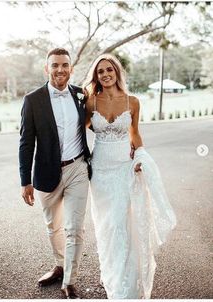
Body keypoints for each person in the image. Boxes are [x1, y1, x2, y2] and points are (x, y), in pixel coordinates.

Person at [83, 53, 176, 299]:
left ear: (117, 72)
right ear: (96, 76)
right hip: (100, 173)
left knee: (123, 224)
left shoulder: (132, 102)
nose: (105, 74)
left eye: (109, 70)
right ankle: (112, 273)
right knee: (108, 227)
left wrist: (140, 158)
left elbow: (135, 135)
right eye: (100, 71)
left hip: (125, 168)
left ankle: (126, 284)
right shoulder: (90, 102)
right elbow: (78, 133)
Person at [19, 47, 91, 299]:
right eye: (55, 65)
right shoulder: (32, 99)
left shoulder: (82, 95)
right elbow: (26, 142)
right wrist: (24, 180)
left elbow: (103, 122)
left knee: (75, 228)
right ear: (46, 68)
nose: (60, 69)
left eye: (64, 65)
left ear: (71, 68)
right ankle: (60, 264)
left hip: (78, 168)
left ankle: (69, 280)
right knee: (54, 226)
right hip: (46, 171)